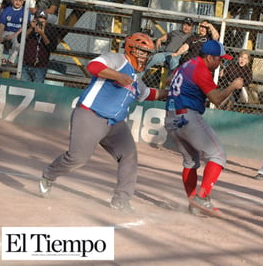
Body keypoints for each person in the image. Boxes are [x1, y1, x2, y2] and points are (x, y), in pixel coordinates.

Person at [38, 32, 168, 214]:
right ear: (131, 48)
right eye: (141, 51)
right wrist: (116, 75)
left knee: (129, 156)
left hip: (115, 124)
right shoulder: (116, 59)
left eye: (147, 53)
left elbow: (149, 94)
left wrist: (170, 93)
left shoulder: (137, 79)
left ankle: (121, 200)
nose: (144, 56)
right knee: (78, 158)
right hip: (90, 115)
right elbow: (93, 66)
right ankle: (49, 175)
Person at [164, 40, 243, 217]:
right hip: (187, 116)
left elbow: (170, 80)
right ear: (208, 57)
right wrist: (232, 86)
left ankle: (193, 203)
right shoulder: (200, 69)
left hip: (170, 117)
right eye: (219, 59)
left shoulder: (188, 64)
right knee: (218, 154)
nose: (220, 63)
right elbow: (216, 99)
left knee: (190, 161)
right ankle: (202, 197)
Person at [21, 10, 58, 84]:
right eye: (38, 21)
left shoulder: (51, 30)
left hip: (41, 66)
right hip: (26, 63)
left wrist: (42, 34)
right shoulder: (30, 26)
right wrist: (31, 28)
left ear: (46, 22)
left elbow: (52, 48)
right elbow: (20, 39)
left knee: (37, 88)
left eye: (43, 22)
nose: (40, 24)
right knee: (23, 86)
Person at [0, 0, 29, 66]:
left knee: (18, 43)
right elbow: (2, 25)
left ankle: (11, 62)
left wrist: (13, 35)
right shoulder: (7, 10)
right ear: (12, 0)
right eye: (16, 0)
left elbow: (24, 27)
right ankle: (0, 60)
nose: (18, 2)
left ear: (23, 2)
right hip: (6, 31)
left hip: (17, 34)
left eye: (20, 1)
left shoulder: (26, 11)